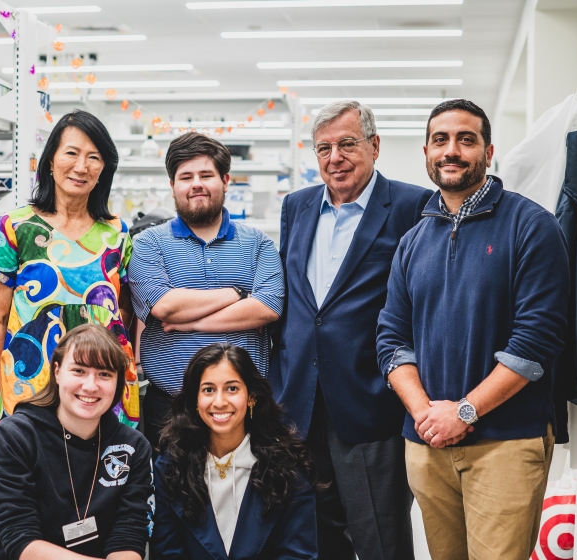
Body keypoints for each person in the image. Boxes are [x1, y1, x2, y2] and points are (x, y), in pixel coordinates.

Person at [376, 99, 569, 559]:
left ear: (488, 151)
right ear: (426, 151)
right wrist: (426, 413)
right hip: (426, 443)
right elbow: (390, 339)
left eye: (466, 139)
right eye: (440, 140)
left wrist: (462, 413)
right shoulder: (413, 240)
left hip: (504, 443)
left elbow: (535, 342)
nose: (452, 151)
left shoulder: (531, 226)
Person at [268, 100, 431, 559]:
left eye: (346, 144)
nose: (334, 158)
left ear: (374, 146)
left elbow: (418, 305)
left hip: (369, 399)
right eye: (323, 148)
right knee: (313, 538)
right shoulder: (296, 207)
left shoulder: (411, 205)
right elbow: (295, 303)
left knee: (379, 538)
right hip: (299, 402)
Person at [0, 110, 139, 426]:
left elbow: (123, 310)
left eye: (94, 157)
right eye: (71, 153)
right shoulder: (14, 228)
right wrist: (1, 392)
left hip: (102, 385)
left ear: (104, 169)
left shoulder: (117, 233)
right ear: (50, 161)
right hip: (31, 379)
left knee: (102, 471)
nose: (82, 167)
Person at [128, 132, 284, 453]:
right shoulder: (147, 244)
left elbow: (267, 307)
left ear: (225, 181)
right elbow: (165, 307)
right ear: (172, 185)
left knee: (248, 498)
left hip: (245, 411)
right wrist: (237, 293)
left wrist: (190, 322)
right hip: (171, 409)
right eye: (186, 177)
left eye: (206, 175)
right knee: (172, 499)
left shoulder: (259, 243)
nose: (196, 183)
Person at [0, 324, 153, 560]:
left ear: (118, 382)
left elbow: (129, 536)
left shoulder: (134, 447)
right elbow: (21, 542)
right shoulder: (14, 436)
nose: (90, 385)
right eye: (79, 371)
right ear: (57, 372)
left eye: (104, 374)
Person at [151, 343, 317, 560]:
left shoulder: (289, 467)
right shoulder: (170, 467)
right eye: (208, 390)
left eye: (232, 388)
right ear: (195, 400)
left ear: (251, 397)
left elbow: (298, 555)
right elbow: (167, 554)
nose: (220, 402)